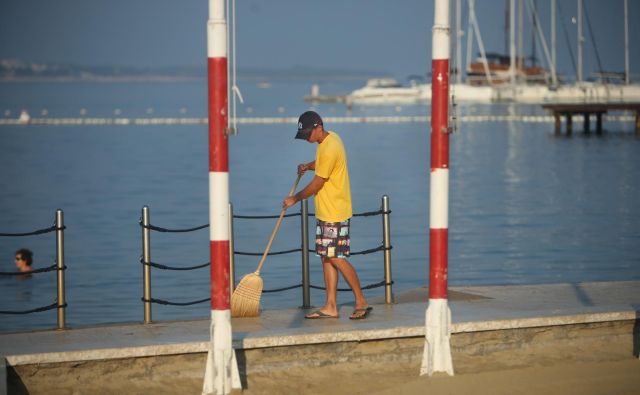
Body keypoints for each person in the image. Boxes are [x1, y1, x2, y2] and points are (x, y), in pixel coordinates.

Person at [282, 111, 371, 320]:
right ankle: (331, 305)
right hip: (327, 211)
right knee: (327, 258)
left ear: (318, 126)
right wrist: (308, 165)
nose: (306, 138)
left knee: (336, 257)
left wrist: (295, 198)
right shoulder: (327, 142)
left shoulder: (330, 146)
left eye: (307, 134)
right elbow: (322, 163)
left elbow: (318, 183)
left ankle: (361, 301)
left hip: (335, 212)